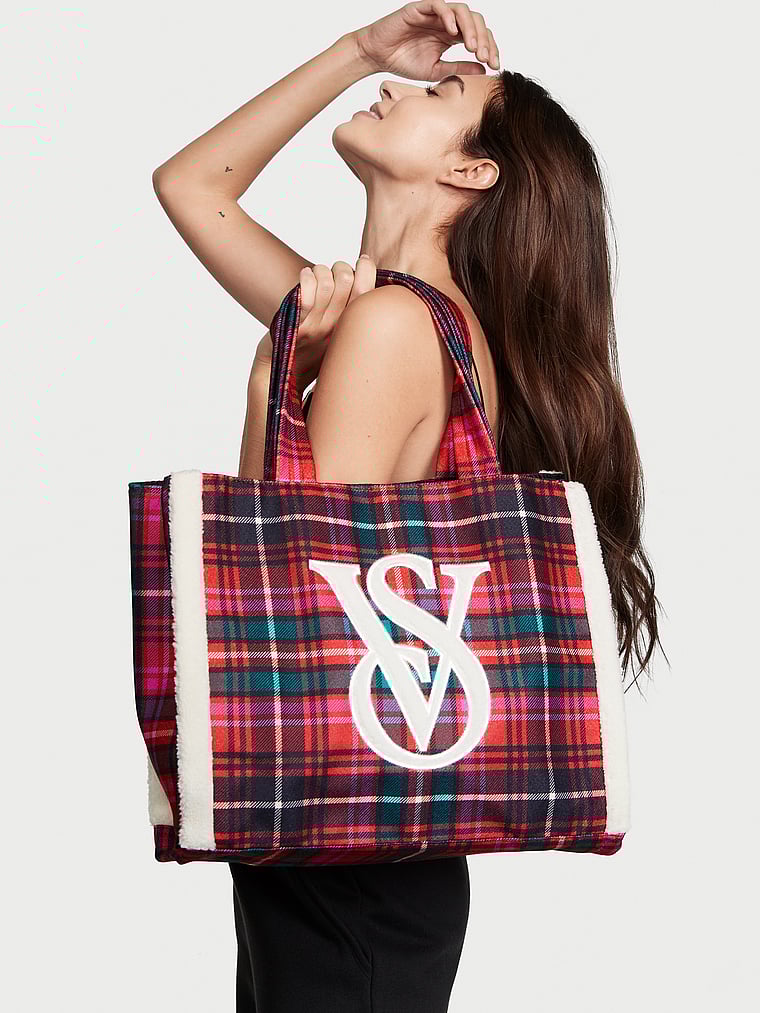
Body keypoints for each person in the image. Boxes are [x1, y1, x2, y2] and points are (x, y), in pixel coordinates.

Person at [151, 3, 661, 1010]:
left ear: (471, 170)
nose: (393, 88)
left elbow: (289, 595)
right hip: (364, 841)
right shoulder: (393, 313)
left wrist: (268, 384)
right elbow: (191, 186)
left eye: (441, 91)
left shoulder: (390, 326)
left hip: (351, 852)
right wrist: (358, 50)